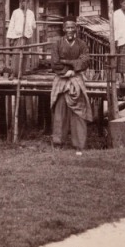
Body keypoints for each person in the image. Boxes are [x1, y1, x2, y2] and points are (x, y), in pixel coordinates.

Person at [50, 16, 93, 154]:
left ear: (76, 28)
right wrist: (65, 70)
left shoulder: (82, 44)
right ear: (63, 29)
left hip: (76, 78)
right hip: (61, 79)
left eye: (72, 27)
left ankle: (79, 144)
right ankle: (58, 142)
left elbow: (85, 61)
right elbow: (55, 62)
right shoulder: (57, 43)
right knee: (60, 111)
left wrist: (71, 67)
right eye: (67, 28)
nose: (70, 30)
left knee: (79, 111)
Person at [5, 0, 36, 78]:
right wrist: (10, 37)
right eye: (22, 1)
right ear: (20, 2)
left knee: (25, 55)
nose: (24, 3)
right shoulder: (16, 12)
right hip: (17, 36)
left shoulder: (30, 13)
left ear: (28, 2)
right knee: (16, 55)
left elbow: (33, 25)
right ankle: (13, 73)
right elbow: (11, 25)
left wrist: (29, 31)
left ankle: (21, 73)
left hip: (26, 36)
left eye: (26, 1)